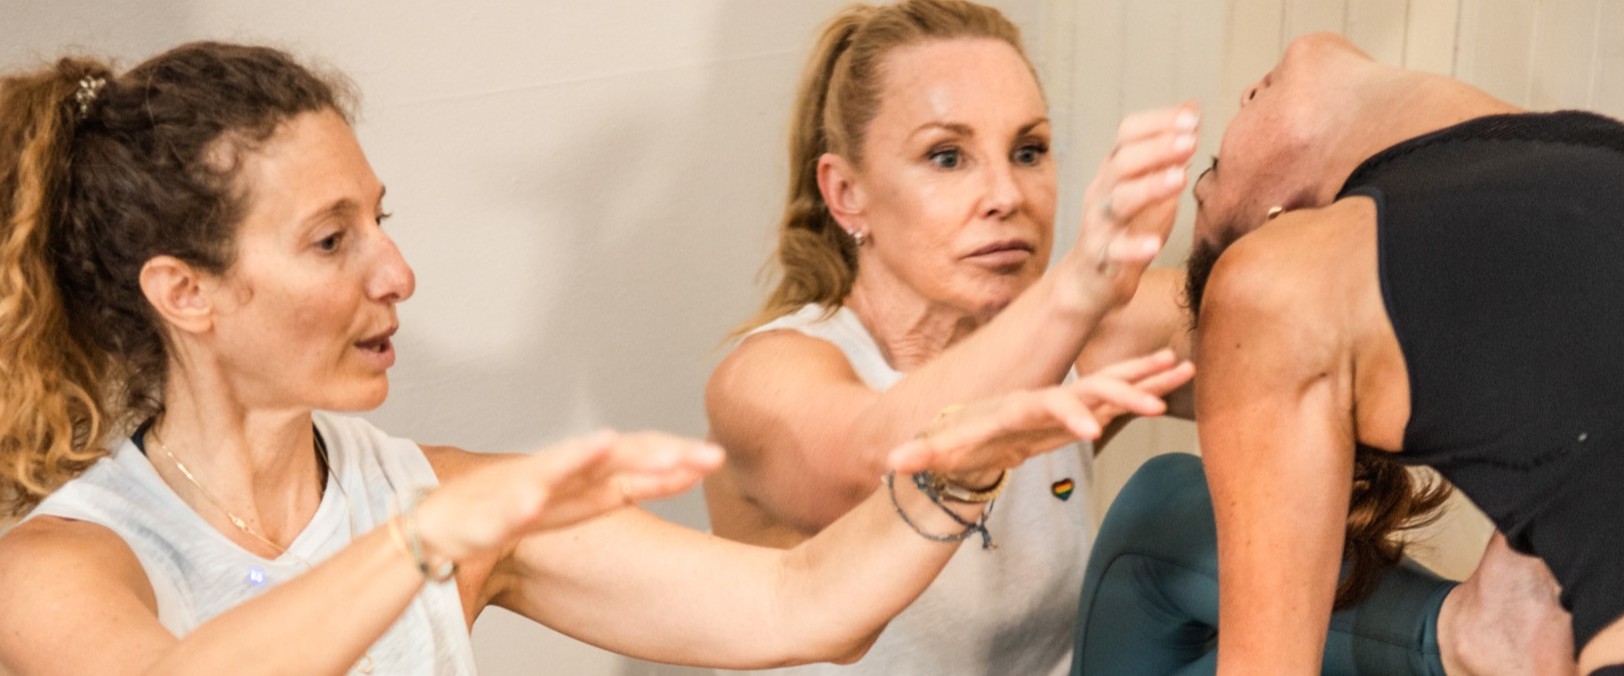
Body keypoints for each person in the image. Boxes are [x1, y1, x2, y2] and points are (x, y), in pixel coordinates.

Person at [0, 42, 1191, 675]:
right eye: (331, 240)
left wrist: (959, 474)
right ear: (186, 293)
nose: (396, 272)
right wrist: (426, 545)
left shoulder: (444, 500)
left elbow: (803, 604)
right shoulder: (62, 566)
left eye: (382, 218)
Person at [1183, 33, 1618, 675]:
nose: (1245, 93)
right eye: (1216, 173)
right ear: (1285, 223)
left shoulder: (1575, 151)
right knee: (1157, 511)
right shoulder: (1275, 285)